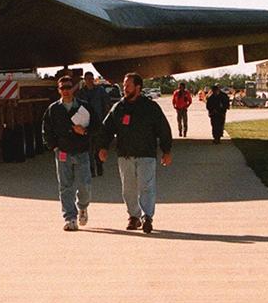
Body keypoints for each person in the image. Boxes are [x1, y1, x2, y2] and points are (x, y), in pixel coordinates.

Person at [98, 73, 173, 234]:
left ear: (138, 87)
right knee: (128, 189)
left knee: (146, 186)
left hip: (146, 154)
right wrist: (103, 147)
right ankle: (134, 216)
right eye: (124, 86)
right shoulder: (119, 107)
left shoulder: (150, 107)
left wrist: (166, 150)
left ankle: (147, 217)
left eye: (128, 85)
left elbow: (163, 129)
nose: (124, 88)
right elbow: (107, 128)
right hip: (125, 155)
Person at [42, 74, 103, 231]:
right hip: (63, 152)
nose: (66, 91)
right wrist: (54, 147)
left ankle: (83, 207)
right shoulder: (53, 109)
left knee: (85, 184)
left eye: (69, 87)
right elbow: (46, 130)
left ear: (73, 88)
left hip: (82, 151)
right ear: (59, 90)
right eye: (63, 88)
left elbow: (97, 126)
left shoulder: (84, 106)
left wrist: (85, 131)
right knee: (65, 186)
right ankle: (70, 218)